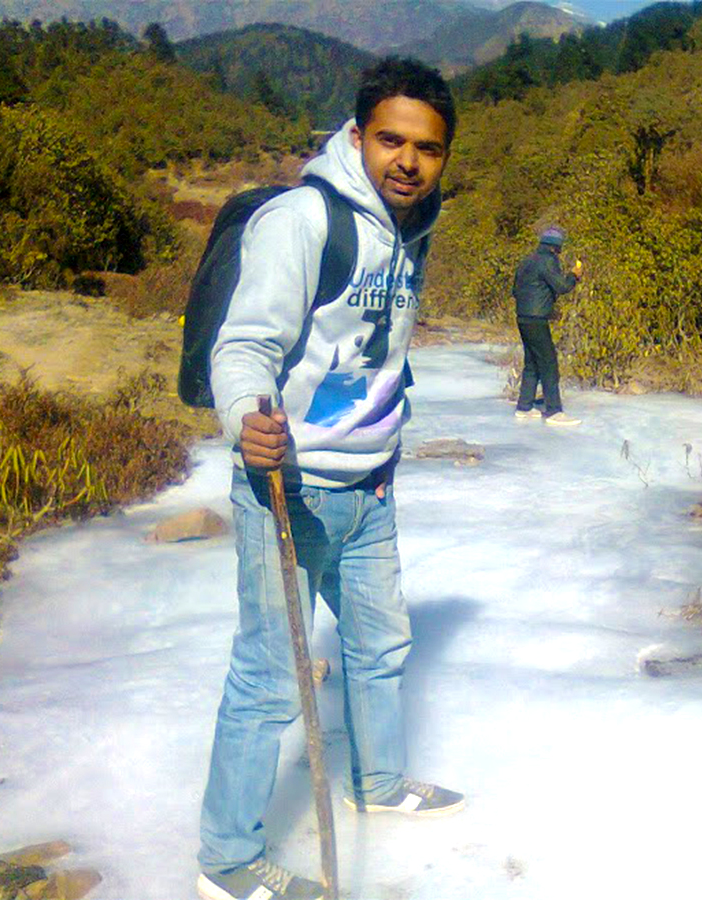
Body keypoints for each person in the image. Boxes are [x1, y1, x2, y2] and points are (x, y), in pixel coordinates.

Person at [197, 58, 463, 900]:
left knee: (380, 646)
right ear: (356, 137)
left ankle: (376, 784)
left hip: (370, 484)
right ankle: (226, 861)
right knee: (271, 676)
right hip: (288, 486)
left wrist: (386, 447)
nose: (408, 161)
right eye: (391, 139)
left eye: (428, 148)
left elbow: (377, 350)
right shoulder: (304, 220)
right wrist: (247, 419)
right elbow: (245, 345)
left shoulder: (412, 226)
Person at [511, 226, 583, 426]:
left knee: (532, 362)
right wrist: (574, 275)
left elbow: (514, 290)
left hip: (523, 317)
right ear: (555, 247)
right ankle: (554, 411)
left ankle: (524, 406)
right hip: (537, 319)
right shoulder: (548, 261)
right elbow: (562, 286)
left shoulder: (527, 260)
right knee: (549, 363)